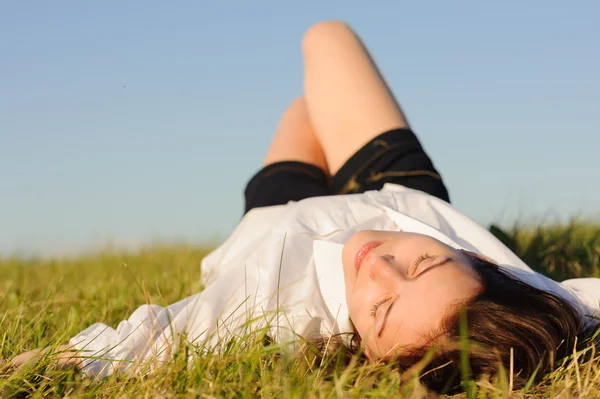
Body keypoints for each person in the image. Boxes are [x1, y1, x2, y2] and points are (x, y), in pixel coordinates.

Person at [11, 21, 600, 393]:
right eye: (423, 265)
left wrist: (42, 366)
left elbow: (145, 342)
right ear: (473, 255)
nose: (378, 266)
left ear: (368, 349)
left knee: (302, 111)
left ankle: (321, 132)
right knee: (326, 37)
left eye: (381, 310)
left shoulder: (269, 304)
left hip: (278, 219)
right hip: (393, 192)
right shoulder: (544, 298)